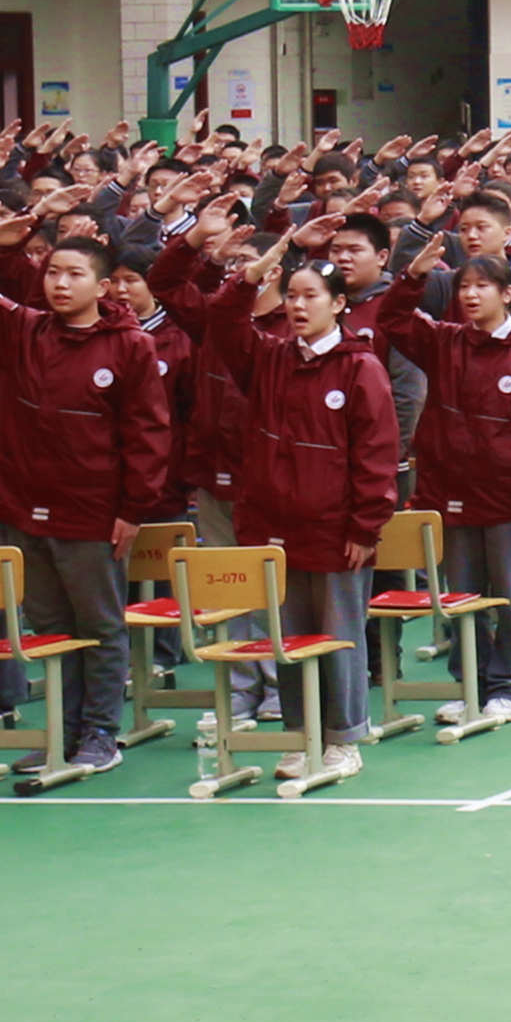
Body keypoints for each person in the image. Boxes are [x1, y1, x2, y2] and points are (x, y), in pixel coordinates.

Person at [0, 203, 177, 781]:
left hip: (92, 513)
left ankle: (100, 732)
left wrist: (132, 509)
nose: (60, 284)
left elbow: (147, 433)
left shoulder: (129, 345)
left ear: (102, 287)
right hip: (24, 508)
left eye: (74, 274)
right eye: (52, 273)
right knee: (49, 628)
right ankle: (59, 731)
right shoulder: (22, 330)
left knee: (99, 626)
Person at [196, 241, 400, 790]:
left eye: (311, 296)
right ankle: (300, 734)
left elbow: (377, 455)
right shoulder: (269, 358)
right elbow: (222, 322)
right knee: (288, 638)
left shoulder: (360, 368)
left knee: (338, 635)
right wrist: (252, 274)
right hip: (274, 530)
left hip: (335, 532)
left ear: (338, 304)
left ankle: (343, 739)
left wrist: (366, 526)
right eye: (291, 295)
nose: (298, 306)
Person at [370, 236, 511, 730]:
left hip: (508, 502)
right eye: (464, 287)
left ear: (508, 294)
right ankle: (470, 686)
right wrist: (413, 276)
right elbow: (391, 319)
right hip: (450, 498)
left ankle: (509, 686)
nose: (471, 295)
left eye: (482, 286)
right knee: (462, 600)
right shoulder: (445, 342)